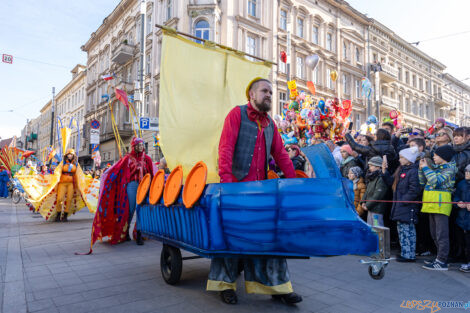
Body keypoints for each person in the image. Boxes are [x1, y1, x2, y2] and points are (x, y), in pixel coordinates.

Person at [211, 78, 301, 305]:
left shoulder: (270, 123)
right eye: (264, 91)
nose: (269, 94)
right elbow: (226, 149)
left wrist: (292, 183)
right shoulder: (236, 114)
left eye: (271, 91)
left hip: (262, 193)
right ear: (251, 94)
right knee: (230, 238)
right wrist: (228, 186)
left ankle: (279, 287)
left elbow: (281, 154)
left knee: (271, 239)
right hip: (236, 190)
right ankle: (225, 285)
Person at [90, 137, 154, 249]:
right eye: (138, 145)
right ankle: (125, 232)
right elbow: (117, 169)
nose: (141, 147)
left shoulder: (147, 159)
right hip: (132, 185)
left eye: (142, 145)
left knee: (142, 209)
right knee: (130, 210)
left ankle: (139, 234)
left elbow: (152, 173)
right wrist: (106, 176)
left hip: (145, 186)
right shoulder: (128, 159)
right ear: (134, 146)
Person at [419, 145, 457, 270]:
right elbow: (423, 182)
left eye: (436, 155)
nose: (434, 157)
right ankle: (438, 258)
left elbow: (435, 181)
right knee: (434, 233)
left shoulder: (450, 169)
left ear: (444, 157)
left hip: (441, 205)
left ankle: (442, 260)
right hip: (431, 204)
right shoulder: (435, 168)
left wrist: (425, 168)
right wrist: (421, 170)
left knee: (442, 234)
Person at [390, 147, 421, 262]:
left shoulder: (413, 171)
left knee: (408, 231)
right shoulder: (402, 170)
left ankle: (409, 254)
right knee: (402, 230)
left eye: (402, 157)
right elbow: (391, 182)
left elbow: (414, 190)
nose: (399, 160)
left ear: (409, 159)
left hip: (407, 207)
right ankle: (404, 252)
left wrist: (404, 200)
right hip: (400, 206)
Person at [361, 156, 389, 227]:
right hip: (370, 207)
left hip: (377, 209)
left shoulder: (381, 178)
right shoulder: (373, 176)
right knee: (371, 228)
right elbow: (367, 191)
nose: (369, 168)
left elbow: (378, 194)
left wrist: (367, 205)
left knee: (377, 228)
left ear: (378, 167)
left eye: (371, 166)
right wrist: (363, 201)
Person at [54, 149, 79, 222]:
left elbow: (77, 175)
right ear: (66, 155)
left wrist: (77, 187)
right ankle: (58, 214)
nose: (70, 156)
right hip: (62, 182)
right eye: (69, 154)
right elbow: (57, 172)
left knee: (69, 199)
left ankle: (65, 215)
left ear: (73, 156)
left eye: (71, 154)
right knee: (59, 199)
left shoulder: (76, 164)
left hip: (71, 183)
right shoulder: (62, 163)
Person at [454, 165, 470, 273]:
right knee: (463, 241)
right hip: (462, 218)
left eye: (469, 172)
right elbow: (456, 197)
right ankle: (465, 260)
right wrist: (458, 202)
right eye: (466, 171)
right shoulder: (461, 184)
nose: (466, 173)